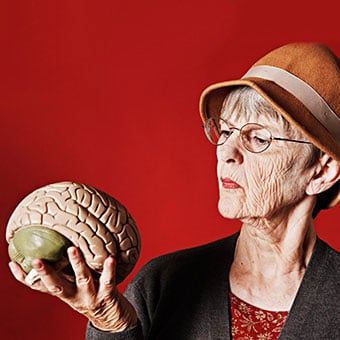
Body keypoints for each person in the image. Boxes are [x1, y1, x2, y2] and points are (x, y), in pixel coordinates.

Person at [9, 42, 340, 339]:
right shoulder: (163, 282)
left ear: (323, 171)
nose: (226, 152)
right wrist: (111, 324)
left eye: (258, 138)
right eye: (225, 131)